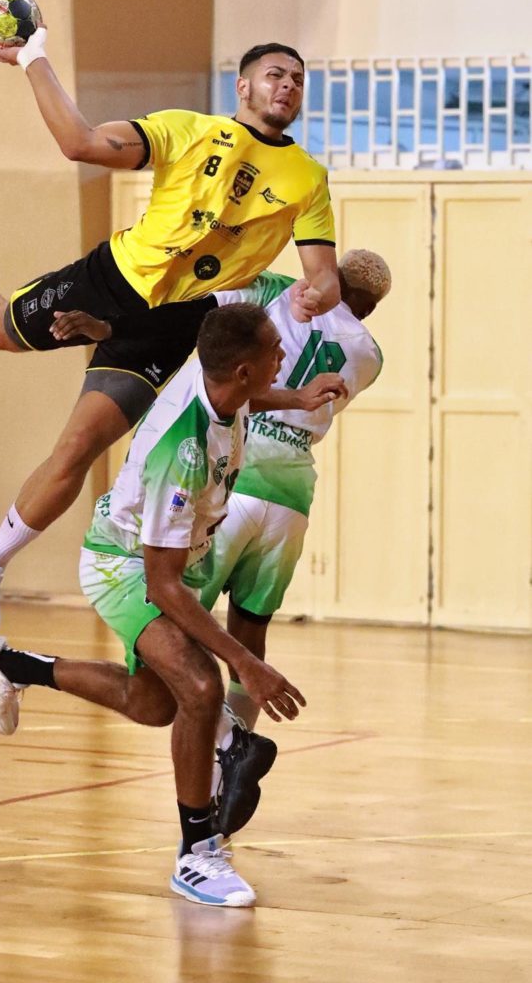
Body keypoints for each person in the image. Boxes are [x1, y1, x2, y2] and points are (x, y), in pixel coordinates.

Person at [0, 29, 340, 638]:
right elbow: (81, 144)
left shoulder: (306, 177)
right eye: (276, 74)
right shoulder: (187, 129)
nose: (288, 85)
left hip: (176, 322)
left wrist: (317, 294)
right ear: (244, 85)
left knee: (77, 449)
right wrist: (32, 56)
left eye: (298, 79)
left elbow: (325, 276)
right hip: (115, 281)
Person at [0, 303, 346, 908]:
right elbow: (162, 585)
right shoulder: (183, 450)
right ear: (244, 370)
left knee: (151, 705)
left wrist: (295, 399)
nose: (285, 356)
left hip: (167, 563)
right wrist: (246, 662)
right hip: (125, 567)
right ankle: (197, 855)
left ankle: (6, 665)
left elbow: (249, 399)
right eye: (276, 350)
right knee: (200, 688)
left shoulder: (225, 384)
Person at [200, 250, 392, 837]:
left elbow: (226, 284)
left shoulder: (280, 290)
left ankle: (224, 747)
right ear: (374, 306)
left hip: (234, 477)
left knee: (176, 620)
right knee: (250, 625)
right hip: (290, 496)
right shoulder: (369, 354)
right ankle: (232, 764)